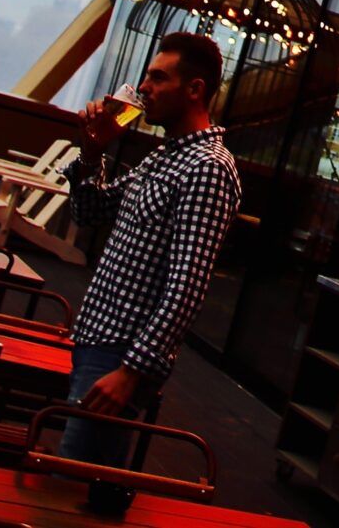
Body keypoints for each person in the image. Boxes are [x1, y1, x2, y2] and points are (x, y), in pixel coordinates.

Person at [58, 31, 241, 517]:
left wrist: (131, 372)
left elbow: (188, 285)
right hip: (98, 339)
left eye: (158, 77)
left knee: (68, 490)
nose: (144, 87)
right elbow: (90, 213)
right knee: (82, 490)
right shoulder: (165, 157)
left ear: (195, 89)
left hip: (120, 354)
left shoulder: (207, 169)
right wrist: (92, 152)